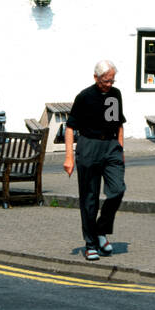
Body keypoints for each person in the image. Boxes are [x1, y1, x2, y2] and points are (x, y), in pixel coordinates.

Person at [64, 59, 126, 261]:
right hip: (89, 147)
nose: (108, 84)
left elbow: (118, 124)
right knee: (89, 199)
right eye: (105, 81)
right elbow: (71, 128)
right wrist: (69, 157)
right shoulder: (84, 97)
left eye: (111, 81)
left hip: (111, 147)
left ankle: (101, 230)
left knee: (117, 190)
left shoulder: (115, 95)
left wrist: (120, 149)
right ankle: (90, 244)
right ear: (96, 78)